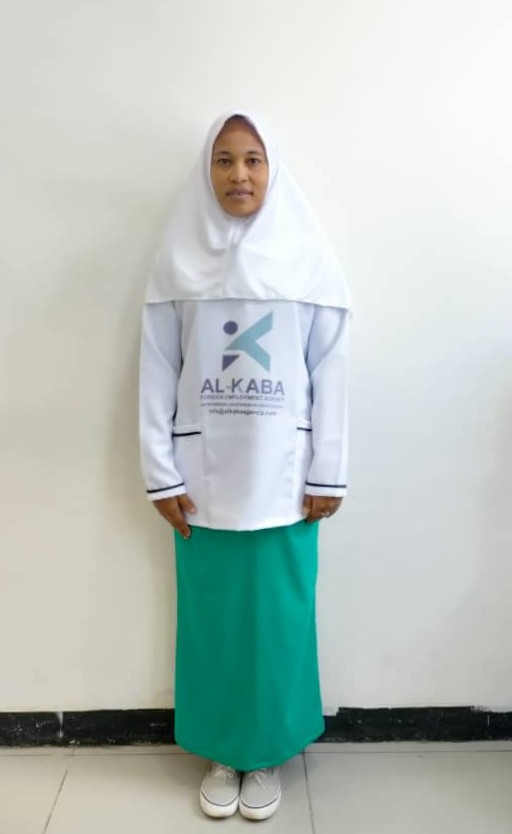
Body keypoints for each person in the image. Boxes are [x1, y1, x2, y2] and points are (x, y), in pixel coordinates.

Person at [139, 109, 351, 821]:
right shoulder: (176, 262)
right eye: (225, 159)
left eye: (253, 160)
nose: (239, 174)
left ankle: (268, 752)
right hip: (202, 482)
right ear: (207, 170)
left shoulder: (309, 260)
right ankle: (222, 750)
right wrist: (160, 472)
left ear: (273, 170)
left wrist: (328, 469)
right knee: (214, 620)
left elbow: (331, 370)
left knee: (279, 619)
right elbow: (157, 370)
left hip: (287, 480)